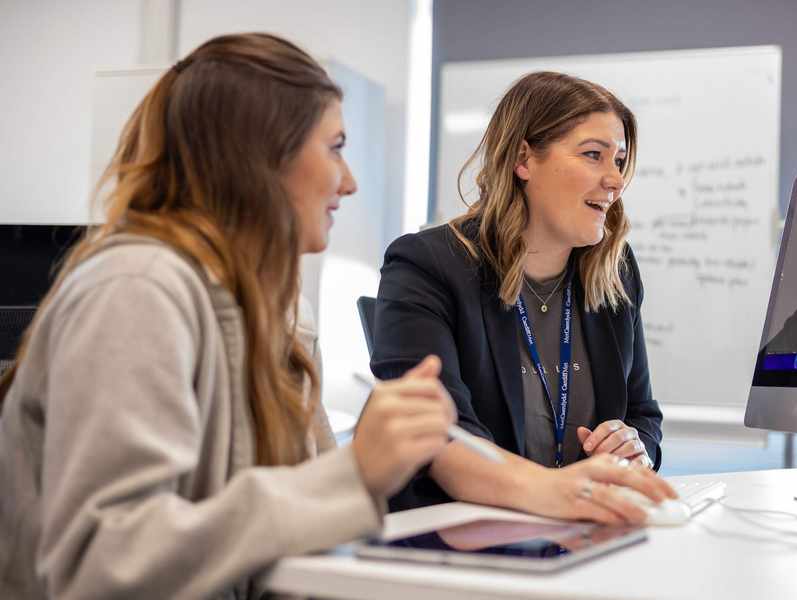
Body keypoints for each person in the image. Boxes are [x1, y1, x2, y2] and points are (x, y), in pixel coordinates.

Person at [0, 33, 457, 600]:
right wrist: (353, 475)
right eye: (334, 146)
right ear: (261, 157)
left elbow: (292, 535)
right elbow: (104, 564)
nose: (349, 180)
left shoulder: (279, 312)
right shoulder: (138, 290)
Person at [372, 71, 672, 517]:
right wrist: (559, 492)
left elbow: (643, 414)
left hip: (580, 533)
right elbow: (438, 439)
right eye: (594, 155)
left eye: (620, 161)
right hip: (463, 543)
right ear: (523, 159)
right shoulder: (426, 265)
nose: (615, 180)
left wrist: (634, 446)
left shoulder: (615, 270)